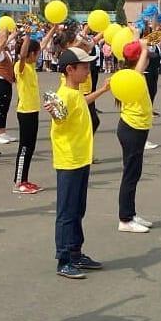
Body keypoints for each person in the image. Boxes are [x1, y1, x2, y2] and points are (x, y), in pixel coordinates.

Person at [46, 47, 110, 279]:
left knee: (77, 209)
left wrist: (102, 90)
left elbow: (81, 102)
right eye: (84, 68)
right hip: (69, 161)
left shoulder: (73, 94)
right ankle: (64, 258)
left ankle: (75, 252)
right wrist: (54, 113)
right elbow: (60, 116)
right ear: (69, 70)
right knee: (67, 212)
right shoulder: (62, 96)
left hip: (81, 159)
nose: (88, 71)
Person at [116, 37, 155, 233]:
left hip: (136, 128)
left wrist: (140, 41)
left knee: (134, 173)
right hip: (132, 129)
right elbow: (138, 70)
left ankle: (130, 213)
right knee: (130, 175)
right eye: (146, 57)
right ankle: (125, 219)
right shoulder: (131, 77)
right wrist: (144, 49)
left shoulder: (130, 74)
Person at [12, 26, 56, 194]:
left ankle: (24, 179)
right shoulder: (20, 66)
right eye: (36, 54)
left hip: (33, 111)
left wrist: (53, 28)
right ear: (31, 54)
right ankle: (18, 182)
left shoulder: (31, 66)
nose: (38, 56)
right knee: (24, 147)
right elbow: (22, 55)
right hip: (25, 113)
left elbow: (43, 44)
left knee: (30, 147)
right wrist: (28, 36)